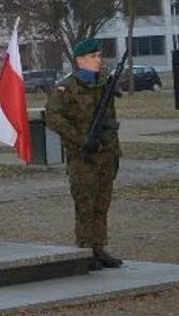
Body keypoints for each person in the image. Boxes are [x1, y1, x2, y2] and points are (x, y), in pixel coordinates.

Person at [44, 38, 123, 271]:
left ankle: (99, 247)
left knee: (102, 202)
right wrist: (81, 139)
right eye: (93, 56)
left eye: (100, 56)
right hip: (83, 156)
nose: (99, 60)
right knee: (85, 203)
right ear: (80, 60)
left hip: (106, 153)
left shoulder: (104, 85)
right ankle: (85, 249)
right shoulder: (66, 87)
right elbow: (53, 117)